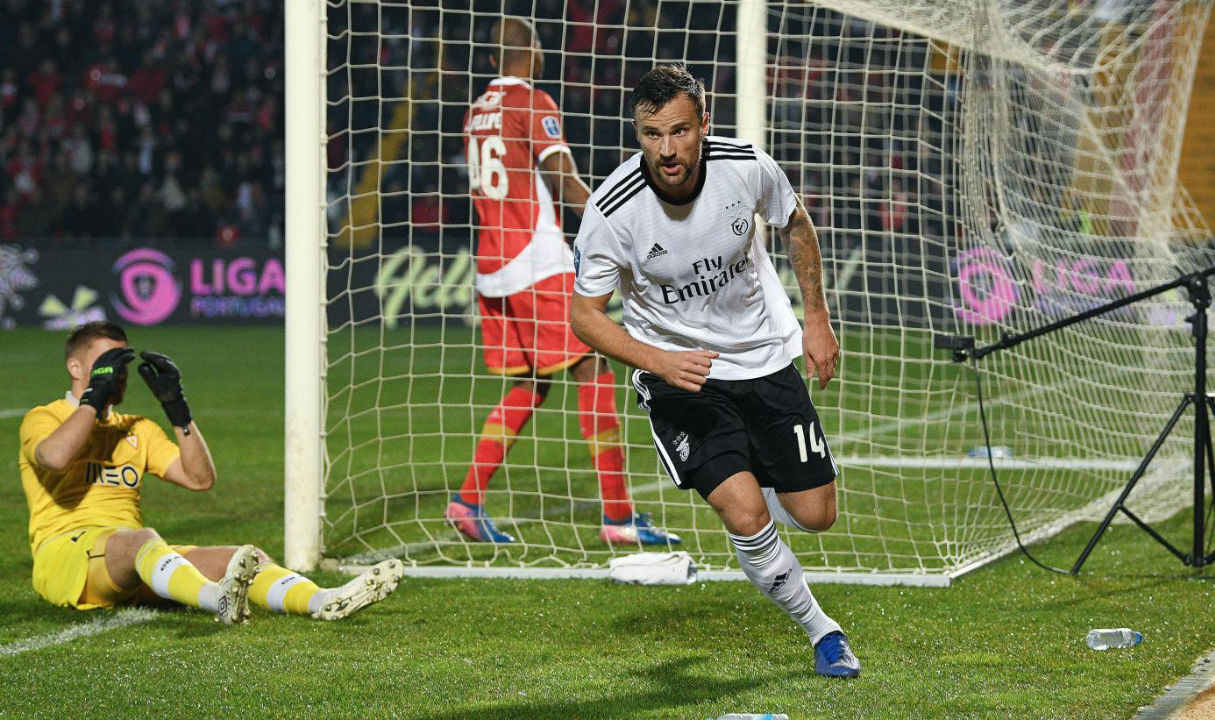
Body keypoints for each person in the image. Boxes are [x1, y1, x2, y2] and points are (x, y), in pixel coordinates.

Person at [569, 65, 860, 677]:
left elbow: (795, 222)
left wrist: (816, 318)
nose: (666, 150)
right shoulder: (612, 210)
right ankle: (823, 631)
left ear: (704, 122)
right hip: (681, 379)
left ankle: (756, 478)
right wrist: (659, 362)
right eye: (651, 134)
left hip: (761, 357)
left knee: (816, 515)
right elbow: (584, 316)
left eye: (679, 131)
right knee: (745, 513)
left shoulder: (746, 166)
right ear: (638, 133)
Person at [453, 17, 678, 546]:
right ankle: (618, 517)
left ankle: (466, 501)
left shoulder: (475, 112)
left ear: (493, 59)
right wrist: (618, 226)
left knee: (531, 384)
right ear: (531, 51)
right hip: (536, 262)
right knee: (595, 368)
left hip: (492, 267)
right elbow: (562, 178)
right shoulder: (534, 103)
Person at [18, 321, 402, 625]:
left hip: (133, 561)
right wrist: (93, 398)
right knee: (140, 540)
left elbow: (200, 479)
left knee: (244, 558)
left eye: (121, 365)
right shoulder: (45, 418)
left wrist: (177, 409)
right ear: (75, 367)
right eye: (106, 363)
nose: (117, 374)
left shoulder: (137, 429)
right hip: (65, 560)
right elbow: (54, 458)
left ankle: (324, 600)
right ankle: (216, 598)